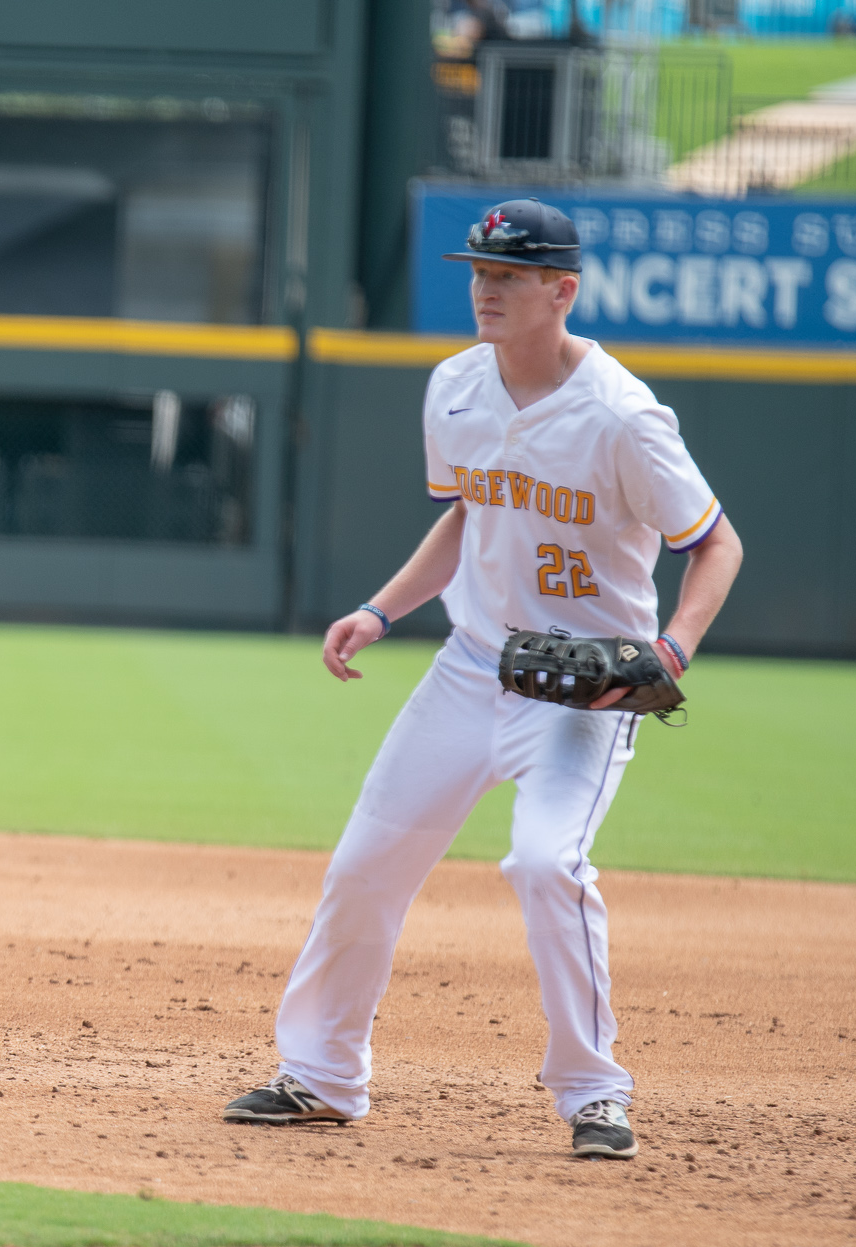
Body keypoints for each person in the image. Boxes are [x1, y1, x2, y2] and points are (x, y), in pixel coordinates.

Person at [222, 199, 744, 1159]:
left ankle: (595, 1093)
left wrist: (671, 651)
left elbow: (715, 544)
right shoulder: (454, 388)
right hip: (471, 666)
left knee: (547, 863)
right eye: (479, 272)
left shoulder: (623, 416)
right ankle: (322, 1076)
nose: (485, 290)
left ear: (562, 291)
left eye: (508, 275)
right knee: (366, 865)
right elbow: (470, 516)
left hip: (583, 694)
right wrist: (382, 609)